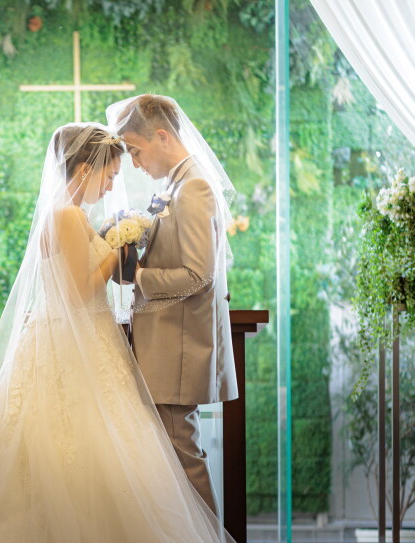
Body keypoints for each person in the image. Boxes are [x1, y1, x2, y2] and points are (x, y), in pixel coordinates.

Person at [0, 122, 232, 542]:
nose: (110, 186)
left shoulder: (70, 213)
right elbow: (79, 291)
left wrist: (110, 240)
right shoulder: (66, 214)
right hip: (75, 341)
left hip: (80, 339)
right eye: (109, 175)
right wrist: (118, 244)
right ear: (85, 168)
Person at [107, 94, 238, 515]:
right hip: (165, 342)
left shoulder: (194, 186)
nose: (134, 162)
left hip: (178, 347)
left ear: (161, 137)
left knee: (184, 455)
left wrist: (137, 277)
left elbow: (199, 276)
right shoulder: (175, 185)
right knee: (176, 454)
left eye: (135, 150)